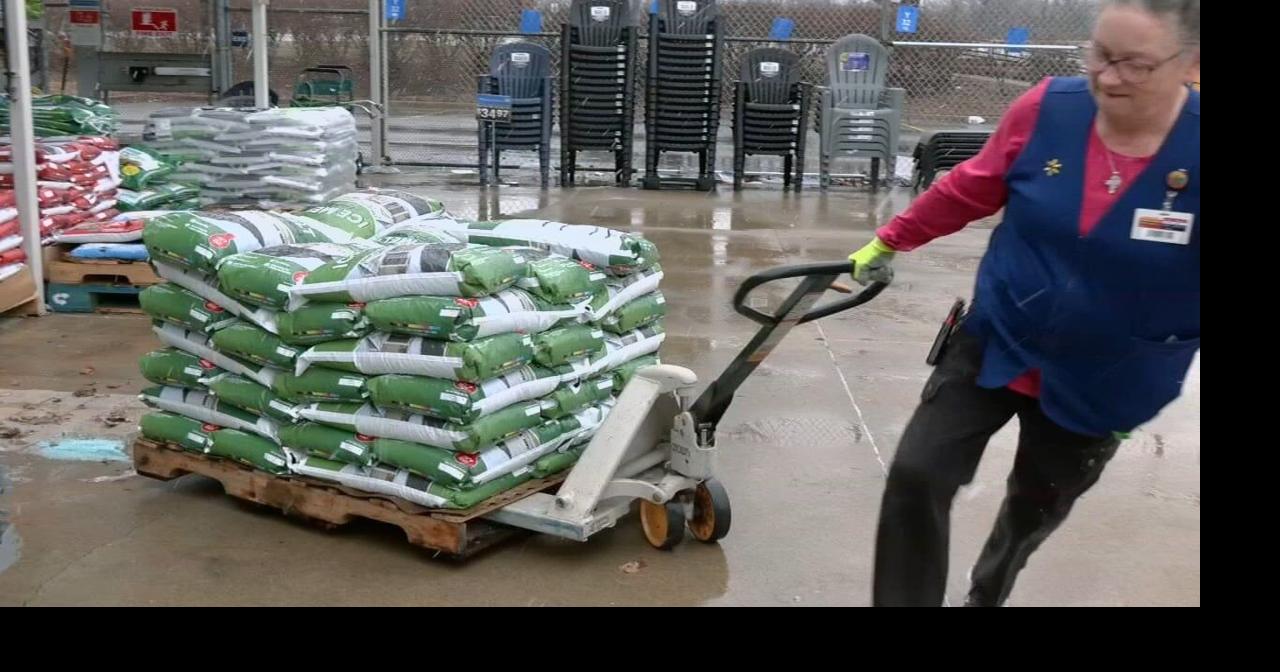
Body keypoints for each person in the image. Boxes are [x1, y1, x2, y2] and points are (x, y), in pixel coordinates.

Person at [848, 0, 1200, 607]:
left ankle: (988, 592)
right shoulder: (1048, 108)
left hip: (1109, 373)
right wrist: (890, 238)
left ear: (1189, 62)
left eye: (1134, 65)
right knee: (917, 474)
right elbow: (972, 186)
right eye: (1100, 54)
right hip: (1000, 334)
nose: (1108, 77)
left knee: (1032, 509)